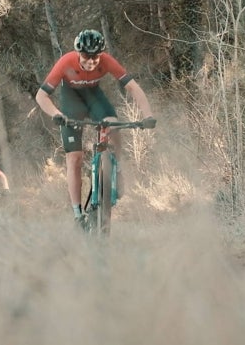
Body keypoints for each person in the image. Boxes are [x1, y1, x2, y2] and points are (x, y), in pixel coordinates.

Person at [34, 29, 156, 224]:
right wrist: (56, 114)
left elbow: (133, 87)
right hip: (72, 101)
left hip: (93, 96)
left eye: (95, 57)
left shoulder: (107, 60)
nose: (91, 61)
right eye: (86, 56)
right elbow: (41, 96)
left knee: (114, 124)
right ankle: (77, 213)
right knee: (74, 157)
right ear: (78, 53)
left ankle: (116, 168)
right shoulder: (66, 62)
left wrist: (148, 115)